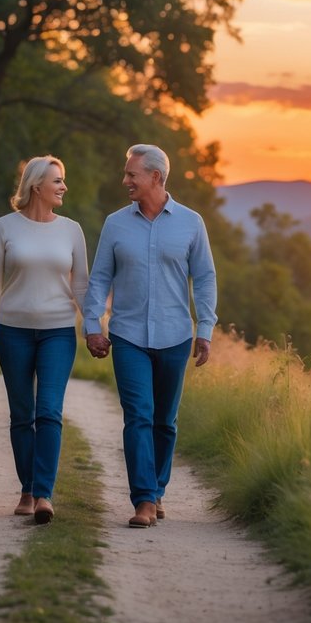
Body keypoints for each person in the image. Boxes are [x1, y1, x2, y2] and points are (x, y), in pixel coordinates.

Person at [83, 144, 217, 528]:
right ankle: (143, 499)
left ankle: (157, 490)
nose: (125, 180)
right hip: (127, 336)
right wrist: (93, 326)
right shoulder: (115, 224)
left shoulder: (192, 223)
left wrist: (204, 329)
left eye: (132, 174)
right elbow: (100, 278)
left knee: (165, 421)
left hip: (175, 336)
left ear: (156, 177)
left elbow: (205, 278)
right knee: (138, 416)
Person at [0, 155, 89, 525]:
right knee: (22, 414)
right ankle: (26, 489)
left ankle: (43, 494)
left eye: (63, 180)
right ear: (36, 185)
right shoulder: (5, 227)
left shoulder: (72, 230)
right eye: (57, 181)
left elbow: (82, 286)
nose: (63, 187)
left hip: (59, 331)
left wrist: (93, 326)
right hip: (13, 332)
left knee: (49, 411)